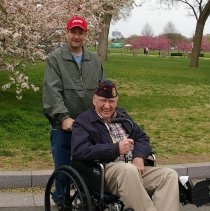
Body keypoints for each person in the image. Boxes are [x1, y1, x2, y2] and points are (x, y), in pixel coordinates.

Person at [71, 80, 180, 211]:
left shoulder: (123, 116)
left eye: (111, 101)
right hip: (104, 172)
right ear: (94, 100)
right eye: (103, 100)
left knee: (169, 175)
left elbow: (142, 137)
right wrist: (115, 149)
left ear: (116, 102)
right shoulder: (83, 121)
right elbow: (79, 150)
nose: (107, 106)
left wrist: (139, 157)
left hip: (134, 169)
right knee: (129, 170)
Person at [42, 16, 104, 200]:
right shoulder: (55, 59)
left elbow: (102, 89)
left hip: (88, 123)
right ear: (66, 33)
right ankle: (61, 199)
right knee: (63, 168)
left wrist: (106, 109)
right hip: (65, 123)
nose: (76, 36)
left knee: (90, 166)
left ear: (86, 34)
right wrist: (63, 117)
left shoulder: (94, 59)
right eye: (73, 32)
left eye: (80, 32)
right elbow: (52, 91)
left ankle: (86, 198)